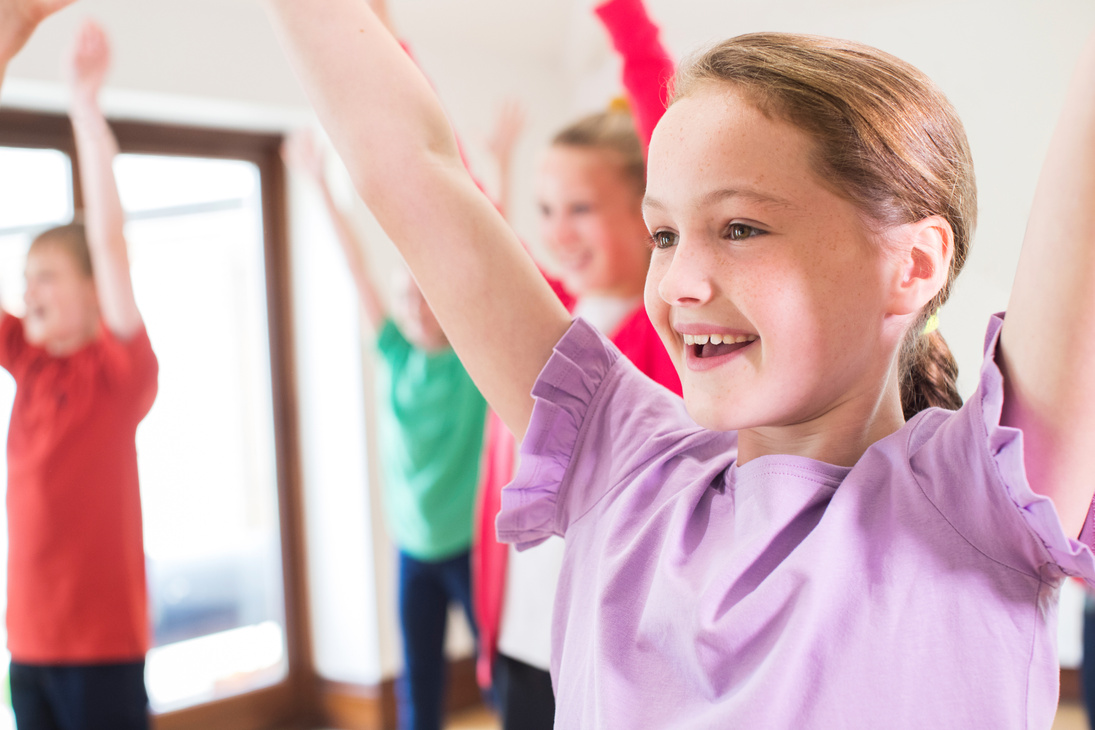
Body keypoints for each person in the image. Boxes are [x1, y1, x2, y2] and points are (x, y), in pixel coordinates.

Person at [263, 1, 1095, 726]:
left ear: (910, 265)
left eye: (740, 228)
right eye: (663, 234)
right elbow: (411, 163)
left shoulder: (981, 500)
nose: (678, 283)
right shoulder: (622, 464)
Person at [472, 1, 679, 726]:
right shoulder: (546, 315)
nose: (557, 233)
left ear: (651, 212)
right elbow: (458, 207)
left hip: (614, 654)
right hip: (522, 643)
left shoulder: (668, 329)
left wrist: (621, 15)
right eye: (546, 209)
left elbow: (660, 112)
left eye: (581, 208)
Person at [282, 129, 486, 730]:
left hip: (469, 545)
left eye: (426, 297)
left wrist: (488, 171)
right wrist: (318, 184)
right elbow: (356, 269)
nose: (415, 308)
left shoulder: (473, 360)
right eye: (406, 297)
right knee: (418, 684)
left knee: (500, 674)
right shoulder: (395, 353)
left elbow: (484, 263)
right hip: (413, 547)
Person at [1, 18, 158, 730]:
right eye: (24, 276)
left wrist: (84, 111)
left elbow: (110, 243)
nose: (27, 291)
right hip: (27, 646)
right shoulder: (28, 363)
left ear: (94, 291)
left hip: (102, 650)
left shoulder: (118, 374)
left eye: (45, 276)